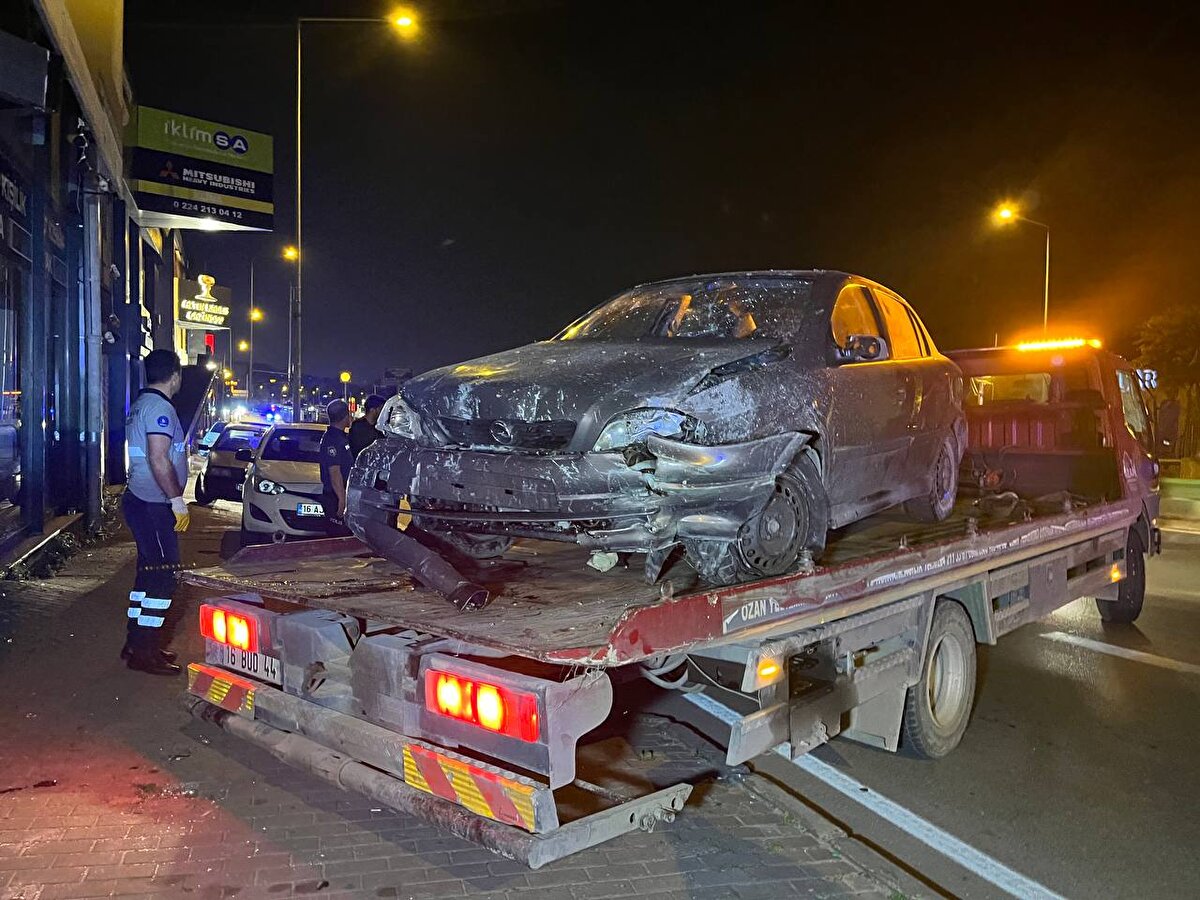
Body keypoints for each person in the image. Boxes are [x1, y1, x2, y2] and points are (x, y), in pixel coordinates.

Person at [121, 349, 190, 676]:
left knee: (147, 574)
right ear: (174, 375)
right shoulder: (161, 408)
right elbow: (158, 458)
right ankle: (144, 652)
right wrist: (176, 500)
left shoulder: (139, 405)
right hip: (154, 505)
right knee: (163, 576)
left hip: (140, 500)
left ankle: (136, 642)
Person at [319, 399, 354, 535]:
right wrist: (341, 498)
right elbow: (334, 472)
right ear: (345, 417)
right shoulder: (332, 440)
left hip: (338, 494)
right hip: (334, 497)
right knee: (339, 534)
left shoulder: (340, 437)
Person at [349, 394, 386, 458]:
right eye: (381, 409)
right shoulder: (358, 427)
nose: (383, 413)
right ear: (373, 410)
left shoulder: (380, 427)